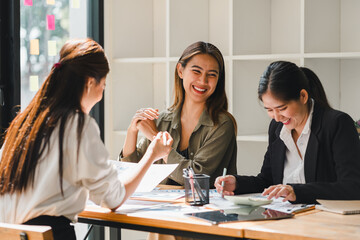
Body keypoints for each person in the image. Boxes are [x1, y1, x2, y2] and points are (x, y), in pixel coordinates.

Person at [0, 39, 173, 240]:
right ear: (91, 82)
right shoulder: (78, 124)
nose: (102, 93)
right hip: (54, 233)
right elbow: (113, 198)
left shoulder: (26, 121)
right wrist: (152, 154)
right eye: (103, 85)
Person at [215, 61, 360, 204]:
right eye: (270, 110)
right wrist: (237, 183)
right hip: (284, 217)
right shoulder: (277, 128)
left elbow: (352, 186)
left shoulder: (336, 124)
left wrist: (296, 191)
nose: (277, 117)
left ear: (303, 96)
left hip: (322, 219)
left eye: (282, 108)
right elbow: (267, 181)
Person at [120, 41, 237, 187]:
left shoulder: (222, 124)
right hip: (160, 207)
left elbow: (196, 178)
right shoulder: (163, 119)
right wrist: (132, 130)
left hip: (206, 208)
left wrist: (155, 137)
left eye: (211, 75)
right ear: (180, 71)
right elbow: (130, 173)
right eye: (196, 71)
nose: (203, 81)